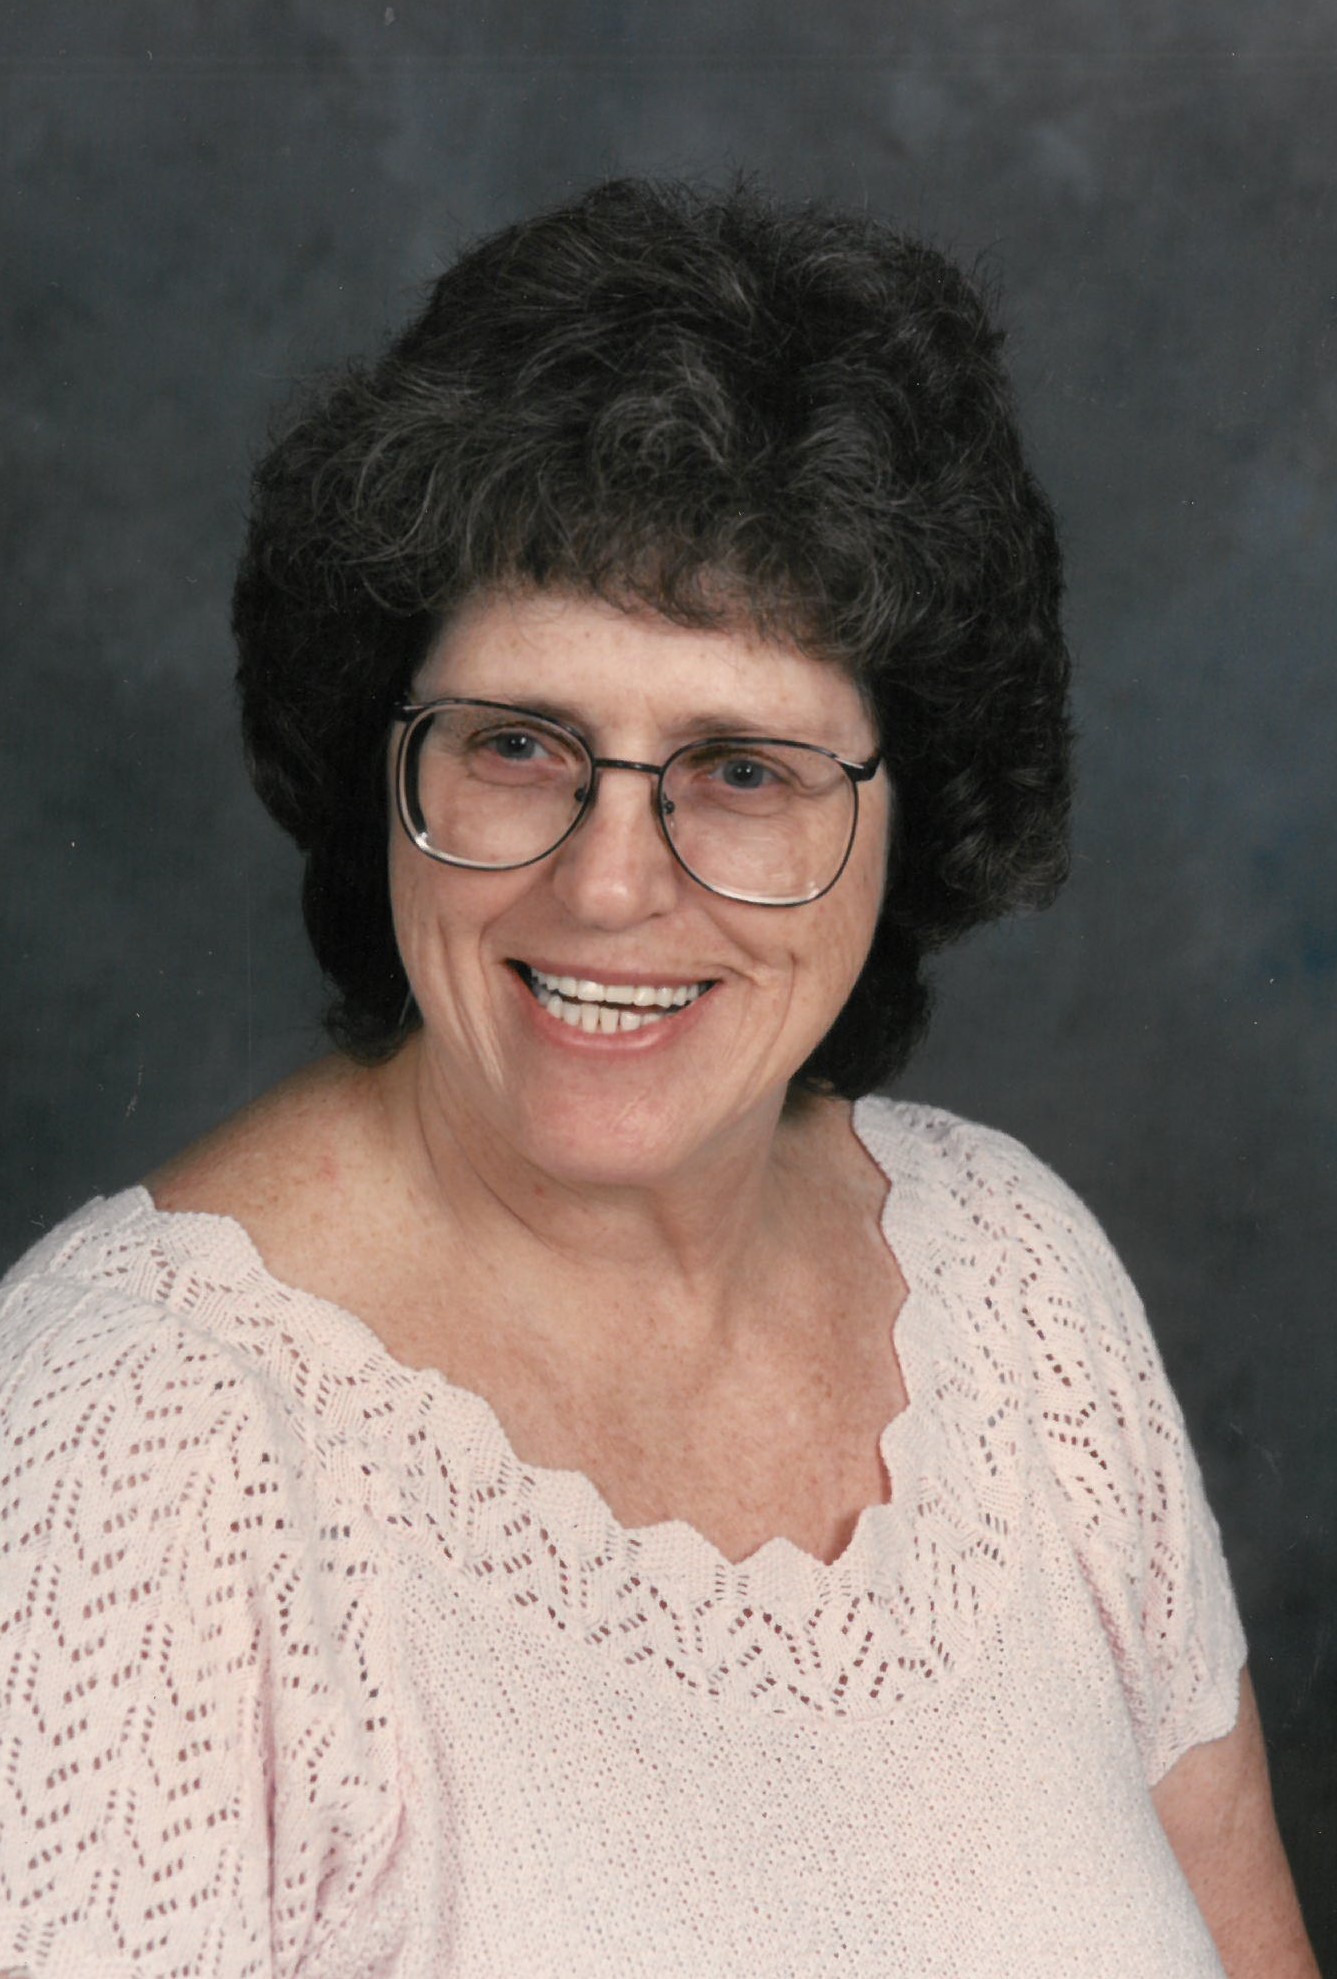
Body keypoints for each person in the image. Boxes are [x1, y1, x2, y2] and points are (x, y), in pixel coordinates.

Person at [0, 179, 1316, 1978]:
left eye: (742, 771)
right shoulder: (126, 1463)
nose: (609, 884)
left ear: (912, 811)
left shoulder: (1015, 1284)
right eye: (517, 746)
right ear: (385, 758)